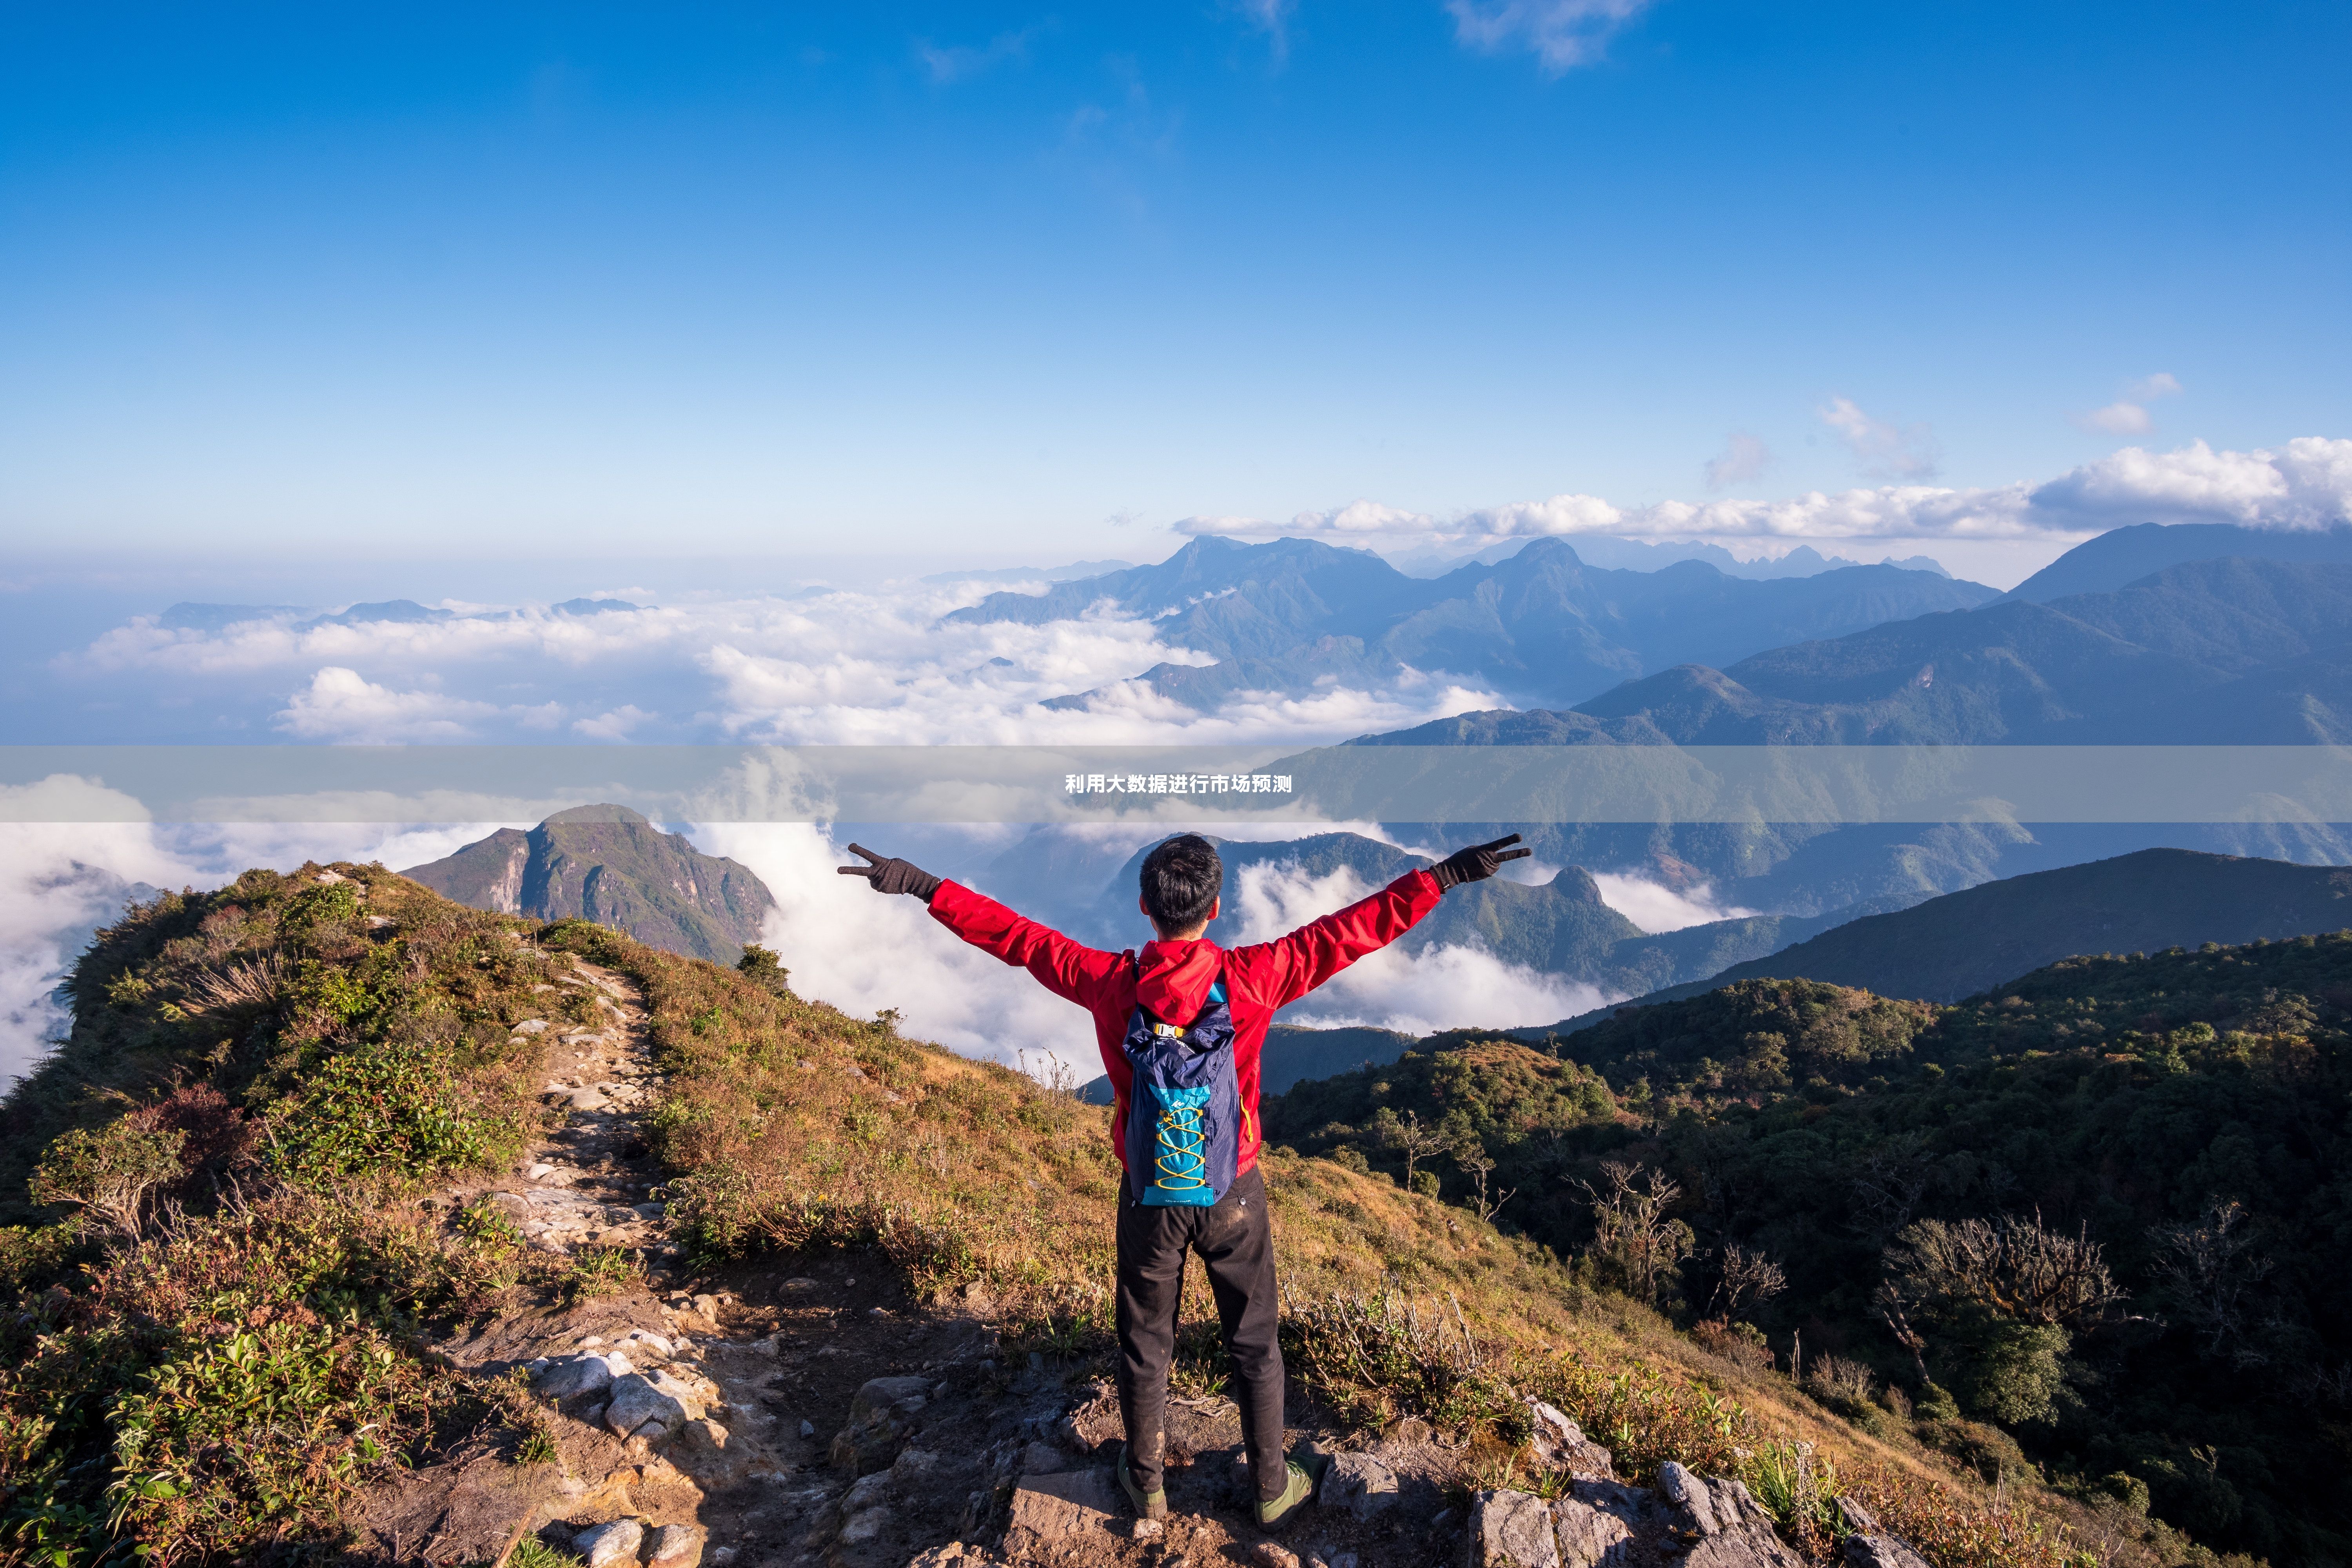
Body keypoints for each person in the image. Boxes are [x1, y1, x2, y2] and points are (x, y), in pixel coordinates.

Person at [837, 830, 1529, 1527]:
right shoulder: (1256, 976)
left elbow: (1019, 939)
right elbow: (1349, 932)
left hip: (1149, 1194)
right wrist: (1441, 877)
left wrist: (923, 885)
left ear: (1144, 906)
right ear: (1218, 906)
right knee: (1255, 1343)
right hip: (1234, 1190)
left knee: (1146, 1342)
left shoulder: (1111, 983)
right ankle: (1270, 1486)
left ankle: (1146, 1484)